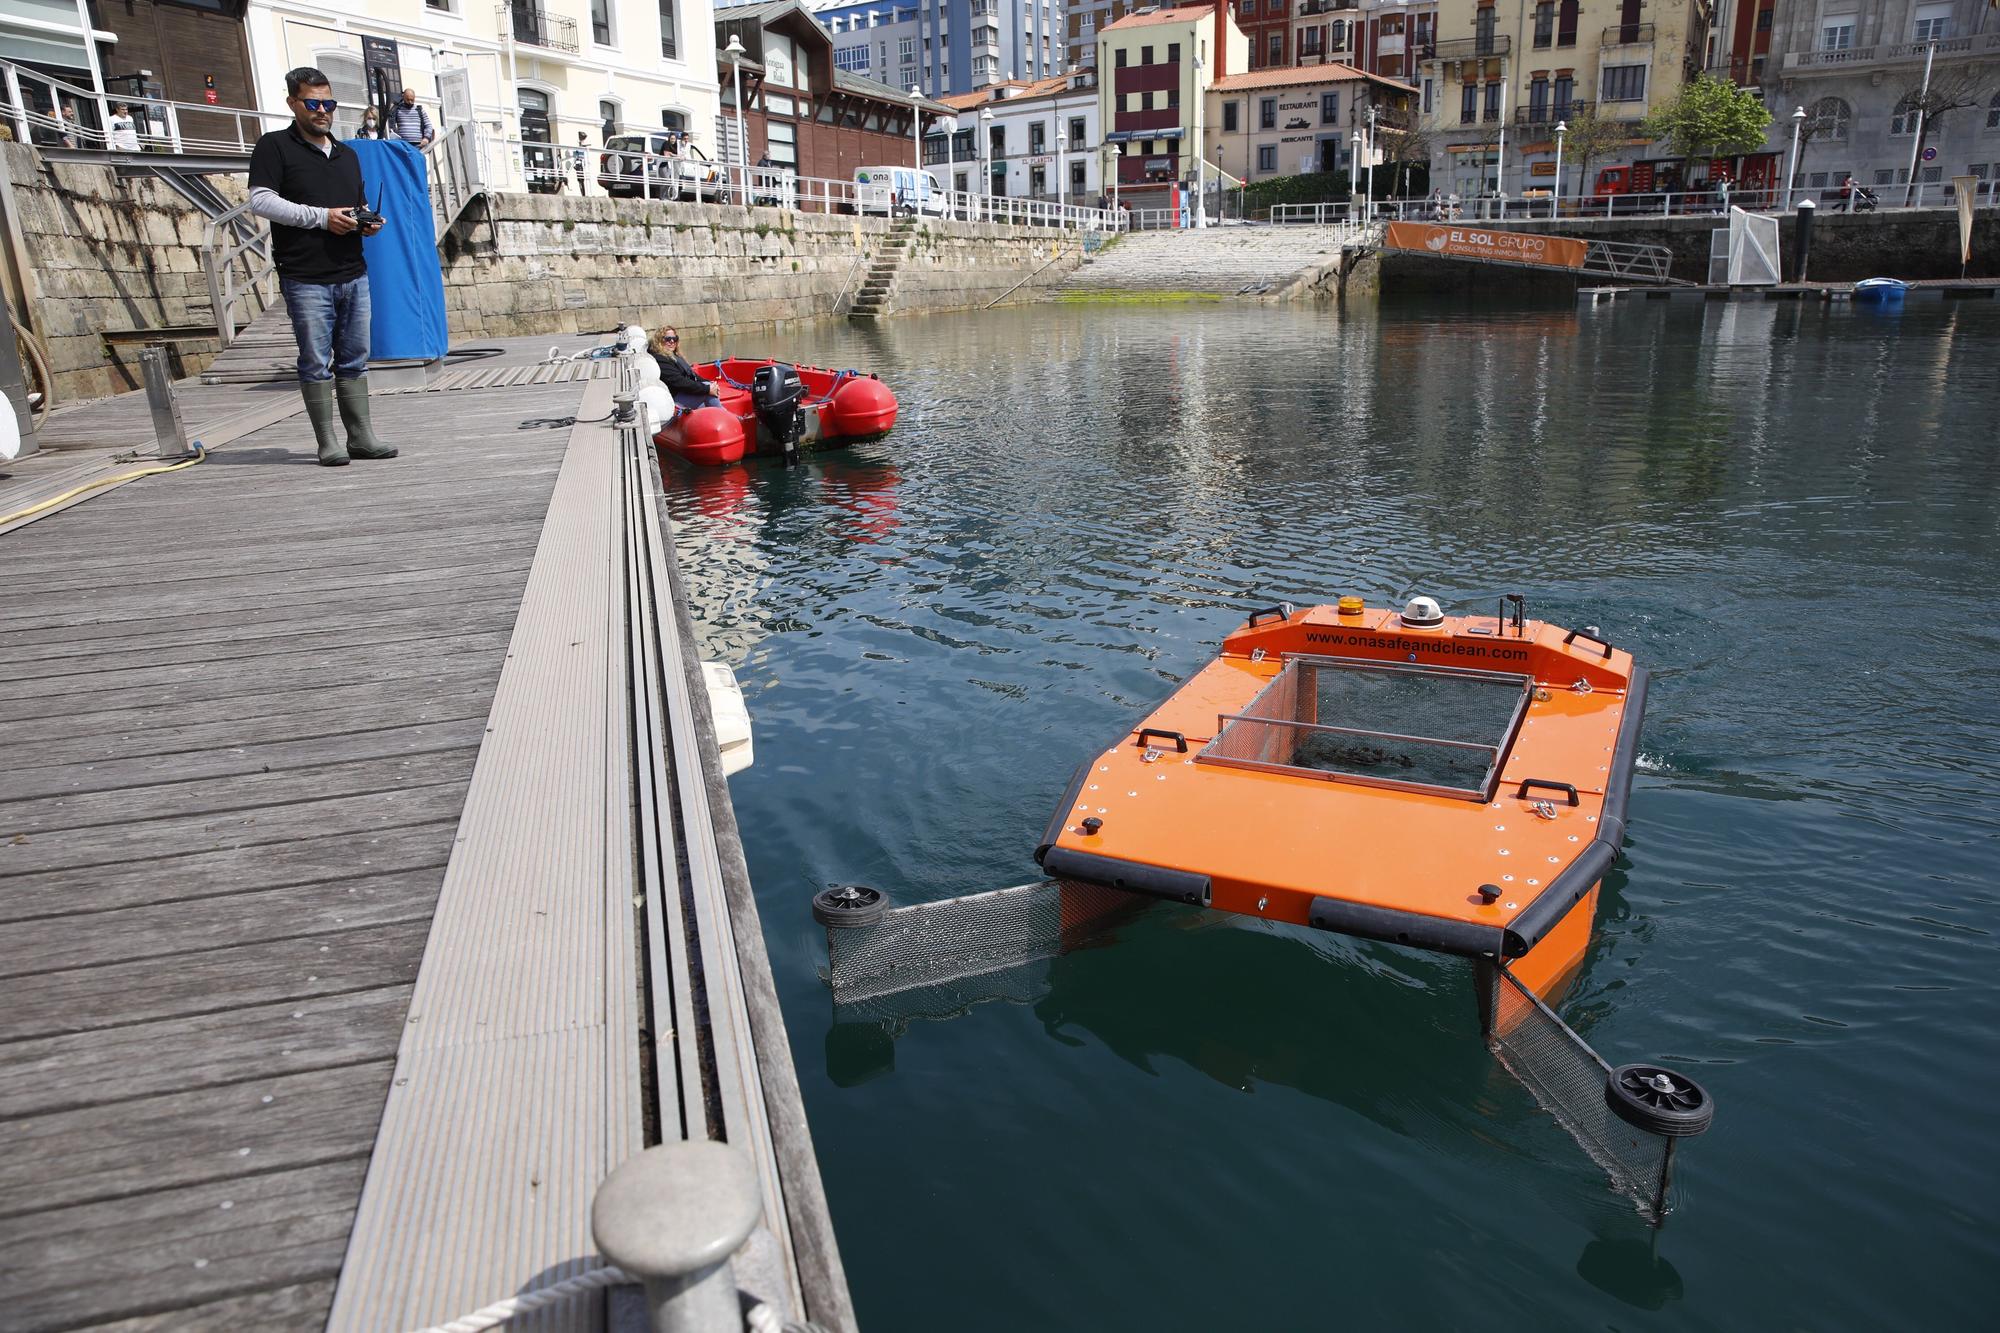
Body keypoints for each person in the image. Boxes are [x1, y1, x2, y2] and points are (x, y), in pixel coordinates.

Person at [247, 66, 397, 467]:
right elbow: (260, 201)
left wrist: (365, 222)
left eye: (328, 103)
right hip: (305, 276)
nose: (322, 111)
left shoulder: (347, 154)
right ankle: (327, 441)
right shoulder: (274, 146)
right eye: (313, 103)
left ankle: (361, 437)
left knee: (354, 358)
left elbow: (354, 204)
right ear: (293, 104)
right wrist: (321, 218)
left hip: (353, 271)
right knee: (315, 359)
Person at [649, 327, 720, 410]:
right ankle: (727, 416)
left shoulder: (674, 356)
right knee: (708, 392)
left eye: (674, 338)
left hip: (684, 393)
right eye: (668, 339)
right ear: (659, 341)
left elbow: (692, 375)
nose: (672, 341)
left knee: (708, 387)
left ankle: (720, 414)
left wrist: (710, 383)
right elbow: (679, 382)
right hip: (675, 400)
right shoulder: (660, 359)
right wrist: (707, 389)